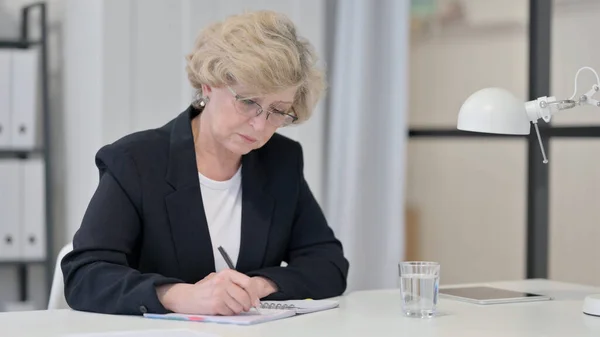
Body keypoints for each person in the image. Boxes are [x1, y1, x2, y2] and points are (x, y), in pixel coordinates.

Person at [60, 10, 348, 316]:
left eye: (278, 110)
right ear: (209, 84)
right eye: (249, 102)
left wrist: (258, 285)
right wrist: (178, 296)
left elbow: (328, 264)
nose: (260, 125)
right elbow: (86, 275)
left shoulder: (281, 161)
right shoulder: (136, 162)